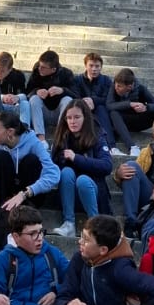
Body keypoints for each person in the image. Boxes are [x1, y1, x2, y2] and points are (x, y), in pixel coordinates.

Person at [0, 110, 59, 252]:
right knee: (1, 157)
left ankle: (26, 212)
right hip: (2, 194)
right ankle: (2, 211)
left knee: (31, 160)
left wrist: (25, 193)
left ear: (10, 132)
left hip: (29, 195)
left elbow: (54, 174)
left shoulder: (33, 141)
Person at [50, 99, 112, 238]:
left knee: (83, 180)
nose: (72, 121)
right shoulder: (62, 136)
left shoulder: (97, 135)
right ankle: (69, 224)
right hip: (68, 194)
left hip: (92, 192)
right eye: (69, 118)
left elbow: (107, 166)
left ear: (85, 117)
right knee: (66, 172)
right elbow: (52, 165)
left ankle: (94, 226)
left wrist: (76, 158)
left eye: (77, 117)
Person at [106, 68, 154, 153]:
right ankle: (132, 147)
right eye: (115, 84)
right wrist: (130, 104)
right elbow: (109, 105)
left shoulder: (141, 89)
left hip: (139, 120)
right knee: (113, 113)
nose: (116, 87)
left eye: (119, 86)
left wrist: (146, 107)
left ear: (129, 87)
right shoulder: (114, 88)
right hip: (121, 123)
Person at [23, 50, 76, 137]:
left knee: (67, 99)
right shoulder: (37, 71)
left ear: (53, 69)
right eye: (39, 65)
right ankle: (40, 137)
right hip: (42, 113)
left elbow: (76, 95)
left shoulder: (66, 73)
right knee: (34, 99)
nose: (40, 68)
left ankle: (60, 136)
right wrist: (36, 91)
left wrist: (62, 90)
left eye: (43, 67)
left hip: (60, 113)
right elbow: (27, 93)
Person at [76, 52, 114, 148]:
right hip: (82, 109)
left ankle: (111, 146)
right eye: (91, 65)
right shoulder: (78, 79)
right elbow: (74, 96)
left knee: (101, 108)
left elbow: (108, 99)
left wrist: (93, 100)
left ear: (101, 67)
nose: (94, 69)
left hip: (100, 112)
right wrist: (85, 102)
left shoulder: (106, 80)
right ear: (85, 65)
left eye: (97, 66)